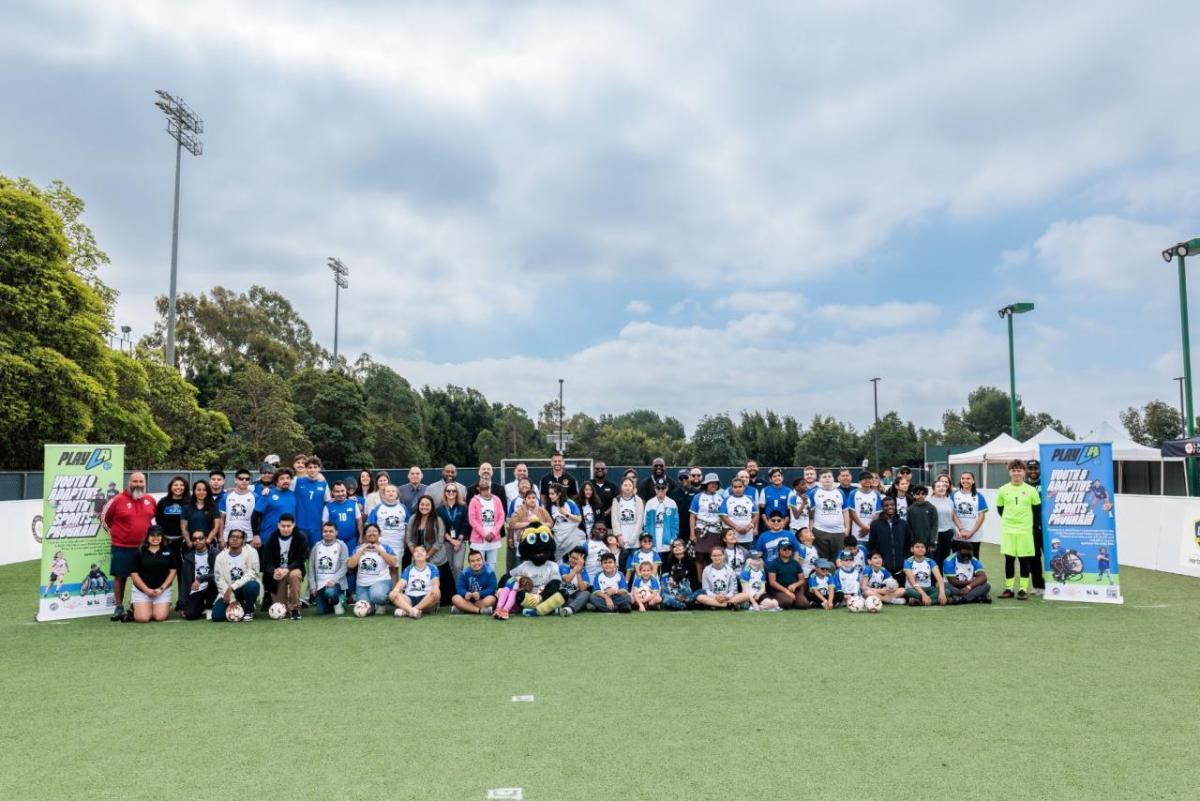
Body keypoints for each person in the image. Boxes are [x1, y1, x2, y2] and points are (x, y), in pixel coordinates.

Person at [101, 472, 157, 622]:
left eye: (141, 481)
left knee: (143, 577)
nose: (138, 484)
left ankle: (137, 606)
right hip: (122, 546)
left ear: (144, 483)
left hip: (143, 547)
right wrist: (115, 535)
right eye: (135, 481)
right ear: (129, 483)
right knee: (120, 576)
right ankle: (118, 606)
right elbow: (104, 519)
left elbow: (151, 519)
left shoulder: (150, 500)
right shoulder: (117, 500)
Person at [995, 459, 1040, 600]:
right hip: (1008, 530)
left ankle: (1022, 589)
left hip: (1025, 531)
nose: (1016, 473)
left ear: (1024, 472)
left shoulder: (1031, 490)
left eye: (1019, 470)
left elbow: (1037, 509)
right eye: (1013, 470)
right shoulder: (1003, 490)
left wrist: (1031, 525)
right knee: (1009, 560)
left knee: (1024, 560)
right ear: (1009, 472)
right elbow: (1000, 509)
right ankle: (1009, 589)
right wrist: (1010, 520)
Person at [261, 514, 309, 620]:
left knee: (294, 574)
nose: (286, 529)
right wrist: (274, 571)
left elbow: (301, 559)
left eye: (288, 526)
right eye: (283, 526)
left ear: (293, 525)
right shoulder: (272, 538)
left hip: (293, 570)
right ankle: (284, 606)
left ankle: (295, 608)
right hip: (278, 573)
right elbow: (266, 562)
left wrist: (287, 569)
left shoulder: (301, 538)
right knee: (281, 608)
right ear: (278, 525)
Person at [128, 525, 179, 623]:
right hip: (142, 591)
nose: (155, 538)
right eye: (152, 535)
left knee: (159, 617)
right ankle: (135, 606)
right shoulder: (139, 552)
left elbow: (173, 571)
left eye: (158, 535)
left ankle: (161, 605)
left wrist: (161, 589)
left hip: (161, 591)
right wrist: (146, 590)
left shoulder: (168, 551)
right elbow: (134, 574)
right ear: (147, 536)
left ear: (162, 536)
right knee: (143, 618)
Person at [407, 495, 452, 605]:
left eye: (427, 505)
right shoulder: (413, 519)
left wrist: (427, 555)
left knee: (445, 595)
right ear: (418, 506)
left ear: (432, 507)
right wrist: (416, 554)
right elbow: (409, 539)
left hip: (437, 559)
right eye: (422, 504)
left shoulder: (437, 520)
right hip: (418, 557)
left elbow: (439, 541)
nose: (424, 507)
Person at [212, 529, 262, 622]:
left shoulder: (252, 552)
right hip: (227, 591)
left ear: (243, 541)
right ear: (228, 539)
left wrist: (233, 587)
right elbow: (219, 580)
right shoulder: (220, 557)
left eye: (238, 537)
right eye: (232, 537)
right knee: (217, 616)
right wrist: (232, 600)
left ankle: (249, 610)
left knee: (252, 585)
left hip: (244, 587)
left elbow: (252, 574)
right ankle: (241, 605)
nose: (234, 539)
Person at [348, 523, 399, 613]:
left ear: (379, 534)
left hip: (381, 582)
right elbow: (350, 565)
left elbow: (393, 562)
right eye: (369, 531)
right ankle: (373, 604)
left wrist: (379, 550)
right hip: (363, 585)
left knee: (377, 596)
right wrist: (361, 551)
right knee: (366, 610)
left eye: (375, 531)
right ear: (365, 534)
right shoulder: (358, 548)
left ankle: (381, 603)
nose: (372, 533)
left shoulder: (385, 547)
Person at [308, 521, 349, 615]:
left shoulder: (341, 545)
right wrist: (313, 586)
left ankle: (339, 601)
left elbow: (344, 566)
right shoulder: (317, 546)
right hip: (320, 585)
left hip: (336, 584)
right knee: (321, 612)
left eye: (331, 531)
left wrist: (334, 580)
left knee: (330, 592)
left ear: (336, 532)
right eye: (325, 531)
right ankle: (333, 603)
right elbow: (310, 566)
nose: (328, 533)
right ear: (322, 533)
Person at [868, 497, 912, 583]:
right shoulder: (875, 524)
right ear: (882, 508)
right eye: (886, 505)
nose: (889, 507)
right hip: (883, 568)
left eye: (892, 505)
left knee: (901, 592)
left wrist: (904, 560)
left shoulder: (903, 523)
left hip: (900, 568)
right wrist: (878, 561)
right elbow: (872, 545)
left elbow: (908, 544)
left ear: (895, 506)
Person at [252, 467, 298, 549]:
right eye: (282, 479)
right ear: (276, 481)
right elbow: (255, 516)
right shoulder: (267, 494)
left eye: (288, 478)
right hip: (267, 538)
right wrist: (255, 535)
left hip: (288, 540)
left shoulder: (294, 495)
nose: (286, 480)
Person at [367, 484, 408, 576]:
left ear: (397, 494)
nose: (391, 493)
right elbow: (370, 526)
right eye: (388, 491)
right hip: (382, 544)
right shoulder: (377, 508)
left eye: (393, 491)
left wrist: (406, 540)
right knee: (381, 570)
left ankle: (395, 590)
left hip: (398, 545)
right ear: (384, 494)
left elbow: (407, 526)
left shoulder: (403, 508)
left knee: (394, 570)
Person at [807, 470, 849, 560]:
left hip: (838, 532)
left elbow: (845, 511)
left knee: (837, 560)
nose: (827, 479)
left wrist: (847, 528)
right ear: (820, 480)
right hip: (820, 531)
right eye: (824, 477)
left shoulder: (840, 493)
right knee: (823, 560)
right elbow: (810, 513)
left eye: (829, 476)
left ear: (833, 479)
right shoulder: (813, 493)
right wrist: (810, 528)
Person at [390, 545, 441, 618]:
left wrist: (435, 588)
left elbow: (435, 582)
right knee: (392, 594)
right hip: (409, 599)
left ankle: (410, 610)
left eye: (422, 551)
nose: (419, 553)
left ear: (426, 555)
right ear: (413, 557)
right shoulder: (408, 569)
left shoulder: (432, 567)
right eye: (416, 551)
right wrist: (395, 590)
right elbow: (401, 583)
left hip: (426, 598)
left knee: (437, 592)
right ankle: (413, 611)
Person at [689, 473, 724, 574]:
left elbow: (723, 516)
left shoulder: (721, 498)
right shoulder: (698, 497)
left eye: (715, 483)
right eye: (711, 483)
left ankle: (712, 580)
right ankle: (701, 583)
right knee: (700, 557)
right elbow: (692, 516)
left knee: (713, 557)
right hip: (701, 530)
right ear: (706, 484)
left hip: (716, 531)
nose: (713, 485)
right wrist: (692, 534)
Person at [468, 478, 506, 569]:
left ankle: (491, 583)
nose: (485, 485)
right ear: (478, 488)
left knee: (492, 565)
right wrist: (485, 534)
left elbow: (501, 517)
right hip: (479, 539)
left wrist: (493, 533)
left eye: (487, 485)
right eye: (482, 485)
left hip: (494, 538)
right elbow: (472, 520)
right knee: (479, 565)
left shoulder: (496, 499)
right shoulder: (474, 500)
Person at [180, 529, 218, 620]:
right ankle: (201, 606)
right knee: (190, 615)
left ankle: (209, 607)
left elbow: (218, 573)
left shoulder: (215, 553)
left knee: (214, 579)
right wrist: (183, 604)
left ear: (205, 539)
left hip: (213, 588)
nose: (198, 541)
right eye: (194, 539)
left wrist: (200, 578)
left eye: (201, 538)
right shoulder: (188, 557)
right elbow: (185, 582)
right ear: (192, 541)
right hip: (197, 589)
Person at [950, 471, 988, 558]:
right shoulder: (954, 495)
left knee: (973, 560)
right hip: (958, 535)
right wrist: (961, 529)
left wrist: (971, 532)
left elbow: (981, 516)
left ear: (973, 481)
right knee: (956, 560)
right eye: (963, 478)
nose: (965, 480)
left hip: (974, 536)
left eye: (968, 478)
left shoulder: (979, 496)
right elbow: (952, 513)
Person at [437, 484, 470, 582]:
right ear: (445, 493)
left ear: (457, 492)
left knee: (458, 566)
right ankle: (451, 592)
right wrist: (451, 540)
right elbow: (440, 527)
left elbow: (466, 524)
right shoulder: (439, 509)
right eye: (448, 491)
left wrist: (458, 540)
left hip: (460, 542)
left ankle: (459, 590)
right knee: (449, 567)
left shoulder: (463, 506)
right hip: (446, 542)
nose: (451, 493)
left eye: (453, 491)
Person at [294, 456, 330, 546]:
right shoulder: (296, 481)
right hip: (300, 525)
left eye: (315, 467)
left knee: (315, 552)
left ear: (319, 468)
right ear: (306, 469)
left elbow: (328, 503)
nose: (312, 470)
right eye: (310, 467)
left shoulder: (324, 484)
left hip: (317, 526)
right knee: (301, 553)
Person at [323, 480, 363, 557]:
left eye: (342, 491)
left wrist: (361, 537)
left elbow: (359, 521)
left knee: (351, 564)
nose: (340, 493)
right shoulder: (328, 506)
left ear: (346, 491)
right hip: (334, 542)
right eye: (337, 491)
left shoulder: (353, 504)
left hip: (351, 541)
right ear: (332, 492)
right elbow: (324, 525)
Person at [694, 546, 742, 610]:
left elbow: (733, 589)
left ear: (723, 556)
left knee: (745, 595)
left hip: (727, 597)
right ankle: (727, 605)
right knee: (700, 597)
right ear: (711, 557)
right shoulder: (707, 570)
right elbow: (705, 589)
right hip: (713, 597)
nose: (717, 557)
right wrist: (716, 596)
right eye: (714, 555)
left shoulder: (730, 570)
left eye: (719, 555)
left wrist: (726, 596)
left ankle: (716, 605)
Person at [220, 469, 257, 553]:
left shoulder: (255, 497)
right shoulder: (226, 496)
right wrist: (221, 538)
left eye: (247, 479)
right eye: (241, 478)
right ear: (235, 480)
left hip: (249, 537)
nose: (244, 481)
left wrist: (255, 537)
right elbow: (221, 518)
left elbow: (258, 519)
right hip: (228, 537)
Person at [643, 478, 679, 561]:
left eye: (663, 488)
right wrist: (649, 540)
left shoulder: (672, 503)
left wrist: (672, 540)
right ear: (655, 488)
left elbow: (675, 524)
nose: (660, 490)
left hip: (667, 543)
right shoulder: (650, 503)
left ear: (667, 488)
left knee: (666, 567)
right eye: (658, 488)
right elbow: (646, 523)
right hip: (653, 542)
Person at [610, 477, 645, 562]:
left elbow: (640, 520)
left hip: (635, 541)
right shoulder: (616, 500)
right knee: (622, 564)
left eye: (630, 485)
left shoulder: (638, 500)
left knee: (635, 564)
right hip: (621, 541)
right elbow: (614, 519)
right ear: (621, 487)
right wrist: (619, 536)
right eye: (625, 485)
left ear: (633, 487)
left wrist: (633, 538)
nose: (627, 487)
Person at [452, 550, 498, 615]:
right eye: (473, 561)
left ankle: (464, 608)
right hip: (468, 599)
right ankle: (480, 611)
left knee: (491, 599)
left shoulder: (490, 572)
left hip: (482, 599)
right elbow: (459, 587)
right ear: (469, 563)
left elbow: (492, 588)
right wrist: (465, 593)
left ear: (482, 560)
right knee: (455, 598)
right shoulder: (464, 572)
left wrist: (480, 594)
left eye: (478, 560)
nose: (476, 563)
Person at [1026, 459, 1047, 595]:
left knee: (1051, 557)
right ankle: (1038, 586)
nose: (1033, 471)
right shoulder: (1023, 486)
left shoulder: (1046, 483)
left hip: (1047, 527)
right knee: (1034, 558)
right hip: (1030, 528)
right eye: (1030, 469)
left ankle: (1056, 585)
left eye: (1036, 469)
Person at [766, 541, 810, 609]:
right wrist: (786, 591)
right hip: (779, 590)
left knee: (804, 604)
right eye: (784, 549)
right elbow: (772, 582)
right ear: (779, 550)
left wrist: (795, 585)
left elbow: (802, 580)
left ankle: (795, 600)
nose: (787, 551)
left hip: (794, 589)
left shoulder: (795, 563)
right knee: (786, 602)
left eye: (789, 549)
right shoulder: (774, 563)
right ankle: (787, 600)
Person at [547, 482, 584, 561]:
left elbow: (579, 519)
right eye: (549, 493)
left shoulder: (569, 503)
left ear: (559, 494)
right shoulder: (551, 506)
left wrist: (566, 514)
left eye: (552, 493)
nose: (550, 496)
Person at [720, 476, 759, 549]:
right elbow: (723, 515)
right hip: (732, 537)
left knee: (746, 558)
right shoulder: (727, 500)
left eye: (740, 486)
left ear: (744, 487)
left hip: (747, 536)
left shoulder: (750, 499)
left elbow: (756, 514)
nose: (738, 489)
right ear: (732, 488)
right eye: (735, 487)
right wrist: (736, 527)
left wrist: (748, 527)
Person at [904, 541, 947, 606]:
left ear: (926, 550)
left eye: (922, 547)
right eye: (917, 547)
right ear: (912, 549)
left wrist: (942, 593)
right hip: (914, 589)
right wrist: (923, 595)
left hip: (928, 589)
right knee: (908, 592)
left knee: (947, 591)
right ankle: (931, 600)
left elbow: (940, 579)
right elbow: (913, 582)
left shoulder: (930, 561)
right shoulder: (908, 562)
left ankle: (919, 602)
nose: (920, 549)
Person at [155, 476, 190, 553]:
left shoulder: (190, 502)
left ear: (185, 488)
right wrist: (162, 538)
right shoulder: (163, 502)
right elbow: (158, 521)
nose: (178, 487)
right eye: (175, 485)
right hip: (166, 541)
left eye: (181, 485)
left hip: (184, 541)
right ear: (171, 487)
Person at [846, 471, 881, 546]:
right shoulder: (853, 493)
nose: (867, 480)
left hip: (872, 533)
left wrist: (868, 527)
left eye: (869, 478)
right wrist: (863, 526)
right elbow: (852, 512)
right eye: (864, 479)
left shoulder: (876, 494)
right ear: (859, 481)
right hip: (857, 533)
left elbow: (877, 513)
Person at [661, 538, 697, 609]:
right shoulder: (668, 561)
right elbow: (664, 579)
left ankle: (682, 602)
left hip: (686, 591)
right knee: (666, 599)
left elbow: (694, 581)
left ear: (685, 548)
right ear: (672, 549)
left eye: (679, 545)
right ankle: (683, 605)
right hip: (671, 591)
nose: (677, 547)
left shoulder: (690, 562)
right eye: (674, 546)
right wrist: (670, 581)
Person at [929, 475, 957, 565]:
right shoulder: (928, 501)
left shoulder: (950, 501)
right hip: (934, 534)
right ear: (933, 489)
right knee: (934, 558)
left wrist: (956, 530)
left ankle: (942, 578)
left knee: (945, 557)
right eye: (938, 486)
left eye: (944, 486)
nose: (942, 488)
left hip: (947, 533)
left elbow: (951, 517)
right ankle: (934, 578)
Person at [557, 545, 592, 616]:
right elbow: (567, 580)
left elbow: (582, 589)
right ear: (569, 556)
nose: (573, 560)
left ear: (583, 560)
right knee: (583, 603)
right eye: (571, 557)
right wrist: (576, 568)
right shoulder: (563, 567)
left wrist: (578, 572)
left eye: (576, 559)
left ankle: (569, 609)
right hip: (563, 596)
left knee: (586, 593)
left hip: (575, 595)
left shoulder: (584, 572)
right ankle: (581, 606)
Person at [906, 485, 939, 551]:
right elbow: (909, 527)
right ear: (914, 495)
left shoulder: (931, 508)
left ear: (926, 495)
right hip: (916, 543)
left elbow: (934, 525)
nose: (920, 496)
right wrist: (911, 543)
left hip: (928, 542)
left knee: (928, 560)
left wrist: (932, 542)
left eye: (923, 494)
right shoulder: (910, 509)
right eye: (918, 494)